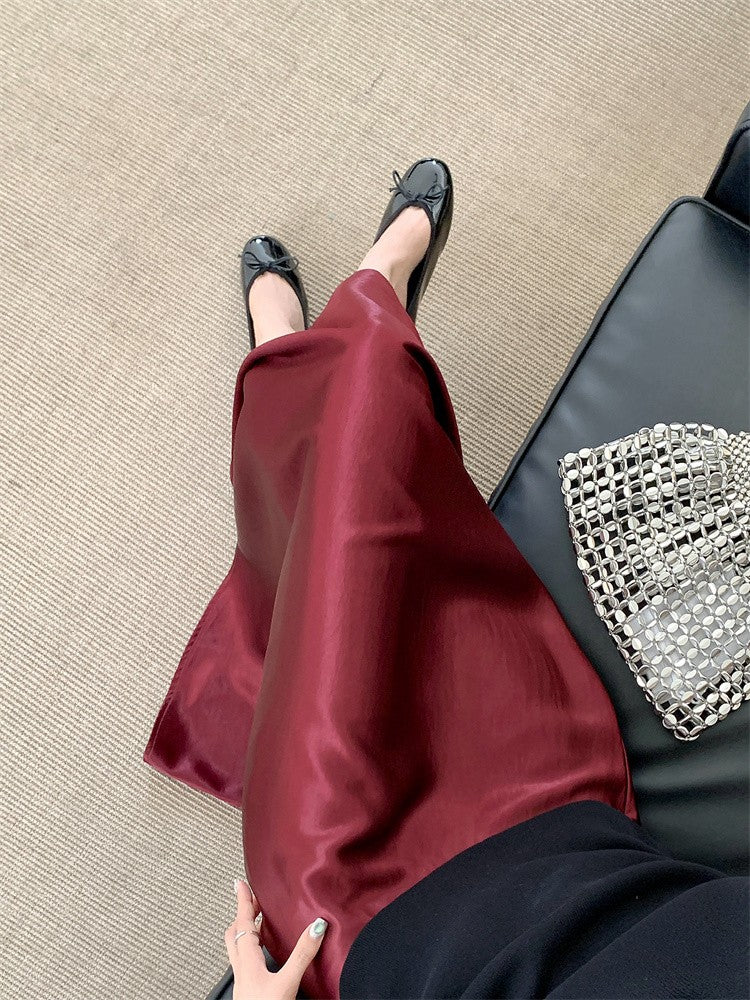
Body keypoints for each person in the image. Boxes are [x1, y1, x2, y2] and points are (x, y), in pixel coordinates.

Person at [143, 161, 749, 1000]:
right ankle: (353, 324)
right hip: (559, 837)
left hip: (363, 928)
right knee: (384, 581)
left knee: (339, 614)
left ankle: (322, 342)